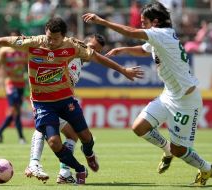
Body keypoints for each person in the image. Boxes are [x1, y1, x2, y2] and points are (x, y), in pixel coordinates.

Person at [0, 17, 144, 185]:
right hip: (43, 103)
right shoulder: (34, 43)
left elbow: (98, 58)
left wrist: (123, 71)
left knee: (85, 137)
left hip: (65, 100)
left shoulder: (72, 47)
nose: (50, 42)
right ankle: (72, 168)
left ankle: (87, 154)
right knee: (54, 141)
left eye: (55, 39)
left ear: (63, 37)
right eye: (48, 37)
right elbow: (3, 40)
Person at [83, 2, 212, 186]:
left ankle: (207, 168)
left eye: (144, 22)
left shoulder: (161, 34)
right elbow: (145, 50)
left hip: (186, 101)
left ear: (155, 22)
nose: (141, 25)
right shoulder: (160, 36)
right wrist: (123, 50)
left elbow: (130, 32)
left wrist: (102, 21)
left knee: (180, 150)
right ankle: (167, 150)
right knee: (139, 127)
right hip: (169, 95)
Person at [25, 33, 107, 184]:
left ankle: (63, 172)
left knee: (71, 135)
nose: (94, 53)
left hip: (60, 100)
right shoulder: (71, 52)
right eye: (93, 48)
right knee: (44, 129)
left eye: (98, 51)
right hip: (46, 98)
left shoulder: (81, 60)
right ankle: (35, 163)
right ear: (84, 43)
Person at [0, 30, 27, 144]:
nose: (13, 41)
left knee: (14, 111)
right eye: (11, 38)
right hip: (10, 84)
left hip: (21, 84)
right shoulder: (4, 51)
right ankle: (21, 137)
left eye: (16, 38)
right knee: (16, 110)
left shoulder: (25, 51)